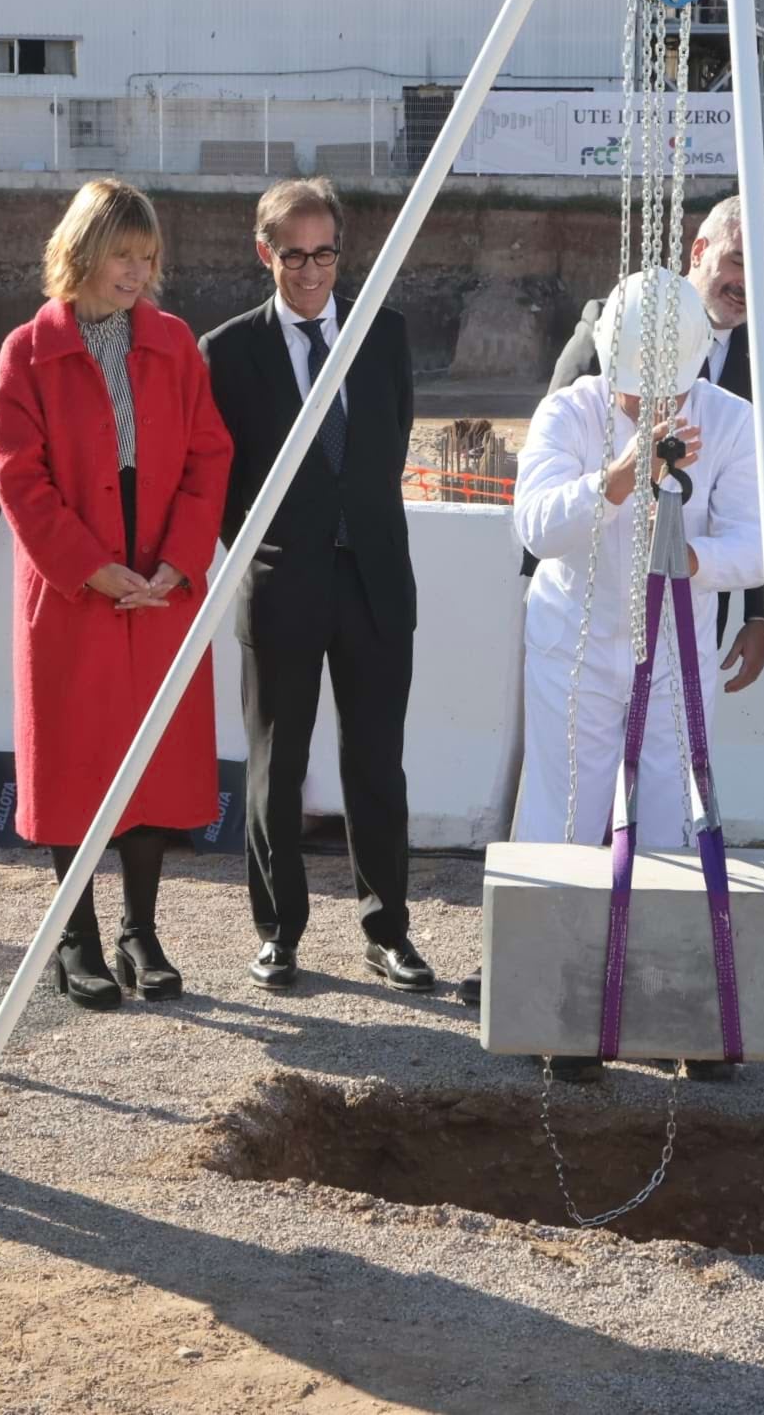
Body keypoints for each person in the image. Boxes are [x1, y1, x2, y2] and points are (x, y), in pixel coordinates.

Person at [512, 267, 763, 1080]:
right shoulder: (569, 410)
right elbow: (537, 524)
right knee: (569, 813)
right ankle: (561, 1010)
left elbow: (760, 544)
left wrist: (693, 557)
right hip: (575, 645)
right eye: (629, 392)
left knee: (669, 816)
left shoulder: (731, 422)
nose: (645, 407)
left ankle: (668, 1011)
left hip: (673, 651)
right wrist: (619, 479)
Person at [0, 179, 232, 1013]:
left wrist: (182, 560)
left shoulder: (173, 342)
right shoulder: (26, 350)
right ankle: (76, 937)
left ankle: (141, 931)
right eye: (123, 255)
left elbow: (210, 457)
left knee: (153, 758)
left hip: (159, 579)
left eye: (147, 257)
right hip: (75, 585)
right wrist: (90, 567)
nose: (137, 272)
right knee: (73, 758)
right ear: (83, 250)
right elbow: (20, 479)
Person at [199, 178, 433, 997]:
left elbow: (386, 449)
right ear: (265, 253)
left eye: (324, 253)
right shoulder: (226, 352)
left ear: (341, 251)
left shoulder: (385, 333)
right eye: (292, 254)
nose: (310, 270)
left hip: (374, 582)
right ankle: (278, 933)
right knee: (275, 767)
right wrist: (270, 551)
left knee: (378, 765)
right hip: (279, 584)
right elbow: (220, 484)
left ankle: (387, 931)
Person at [541, 196, 764, 689]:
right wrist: (540, 585)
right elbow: (553, 449)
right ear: (699, 249)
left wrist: (762, 615)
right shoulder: (610, 322)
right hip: (585, 619)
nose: (747, 284)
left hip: (692, 610)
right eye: (738, 262)